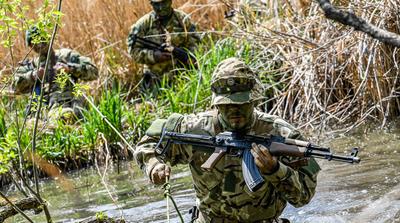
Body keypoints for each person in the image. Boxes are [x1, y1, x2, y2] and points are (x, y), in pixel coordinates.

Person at [134, 57, 321, 222]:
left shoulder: (282, 135)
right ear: (216, 103)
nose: (234, 111)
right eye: (226, 105)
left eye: (241, 104)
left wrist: (275, 170)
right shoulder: (195, 128)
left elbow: (302, 198)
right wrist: (154, 165)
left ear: (254, 100)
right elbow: (149, 143)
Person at [13, 26, 98, 124]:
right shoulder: (31, 65)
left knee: (65, 116)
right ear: (30, 46)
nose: (39, 44)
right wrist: (33, 76)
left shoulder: (66, 56)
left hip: (66, 106)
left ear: (49, 37)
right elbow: (14, 87)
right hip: (40, 114)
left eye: (41, 38)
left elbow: (94, 72)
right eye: (34, 42)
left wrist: (70, 69)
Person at [127, 0, 200, 93]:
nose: (160, 8)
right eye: (157, 4)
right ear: (152, 4)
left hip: (183, 81)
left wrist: (183, 55)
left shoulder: (183, 20)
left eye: (164, 3)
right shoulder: (142, 25)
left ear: (170, 1)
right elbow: (133, 51)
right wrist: (154, 56)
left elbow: (196, 44)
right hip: (154, 84)